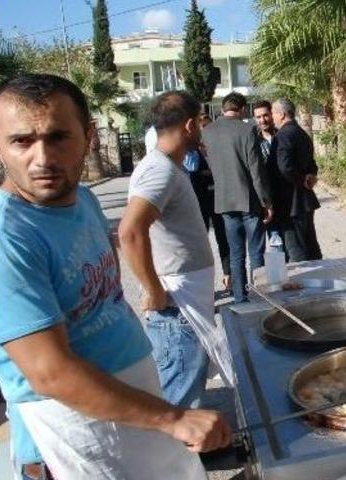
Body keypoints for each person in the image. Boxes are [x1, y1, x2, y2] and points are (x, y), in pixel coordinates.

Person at [0, 74, 230, 479]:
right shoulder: (7, 237)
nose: (42, 158)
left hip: (133, 409)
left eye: (58, 137)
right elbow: (49, 372)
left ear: (89, 137)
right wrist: (173, 418)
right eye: (22, 141)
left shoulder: (82, 199)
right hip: (75, 436)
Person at [120, 91, 233, 409]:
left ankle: (194, 452)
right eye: (199, 122)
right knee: (179, 391)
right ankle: (184, 455)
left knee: (190, 380)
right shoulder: (160, 170)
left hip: (187, 297)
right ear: (189, 126)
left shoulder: (169, 167)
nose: (202, 129)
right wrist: (153, 289)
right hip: (175, 304)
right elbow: (130, 231)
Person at [201, 92, 274, 303]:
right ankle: (259, 296)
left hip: (224, 201)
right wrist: (266, 201)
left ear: (223, 109)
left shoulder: (208, 132)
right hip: (249, 200)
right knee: (256, 253)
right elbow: (256, 170)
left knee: (235, 254)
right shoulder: (247, 129)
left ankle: (240, 298)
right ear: (242, 109)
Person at [269, 98, 323, 262]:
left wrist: (302, 180)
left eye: (273, 113)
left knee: (296, 248)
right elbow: (311, 163)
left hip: (291, 202)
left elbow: (284, 167)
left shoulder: (284, 135)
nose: (272, 118)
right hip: (304, 200)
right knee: (309, 244)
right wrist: (310, 176)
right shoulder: (301, 133)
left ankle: (305, 283)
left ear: (282, 114)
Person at [186, 113, 231, 293]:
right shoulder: (190, 149)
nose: (205, 130)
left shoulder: (220, 147)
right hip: (199, 201)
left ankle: (230, 277)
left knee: (224, 239)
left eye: (208, 126)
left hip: (219, 199)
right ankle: (205, 287)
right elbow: (189, 171)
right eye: (202, 126)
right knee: (200, 243)